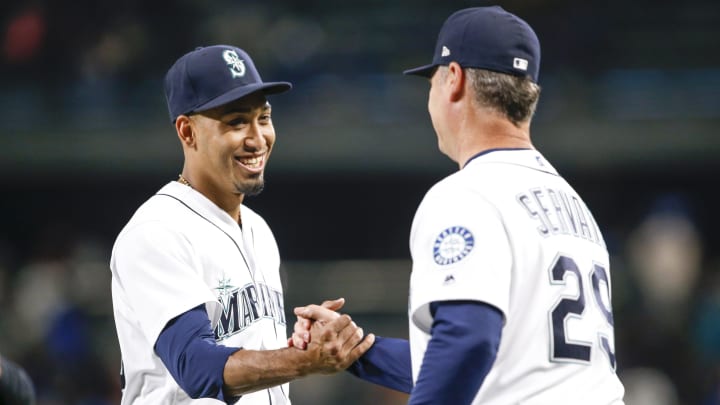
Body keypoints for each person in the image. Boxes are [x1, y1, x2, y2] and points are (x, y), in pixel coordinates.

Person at [292, 6, 625, 404]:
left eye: (430, 82)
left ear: (453, 79)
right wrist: (359, 350)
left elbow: (468, 340)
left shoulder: (468, 192)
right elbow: (496, 366)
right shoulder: (571, 203)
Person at [109, 44, 374, 405]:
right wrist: (301, 361)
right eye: (236, 122)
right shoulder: (156, 231)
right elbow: (196, 366)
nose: (257, 138)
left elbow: (248, 360)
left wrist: (299, 347)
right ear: (187, 132)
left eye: (263, 118)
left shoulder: (258, 230)